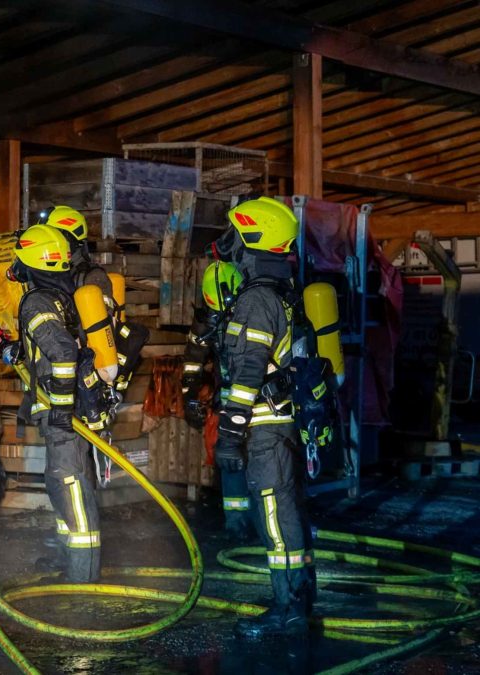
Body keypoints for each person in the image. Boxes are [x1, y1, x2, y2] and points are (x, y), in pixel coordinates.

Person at [209, 196, 315, 638]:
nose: (228, 244)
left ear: (251, 241)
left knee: (274, 516)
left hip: (264, 429)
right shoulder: (282, 295)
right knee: (287, 512)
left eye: (234, 235)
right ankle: (297, 598)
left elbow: (249, 371)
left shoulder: (256, 300)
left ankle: (288, 607)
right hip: (281, 422)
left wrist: (230, 433)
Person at [7, 224, 100, 583]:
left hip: (65, 417)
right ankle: (67, 560)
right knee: (61, 484)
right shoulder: (63, 294)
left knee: (71, 487)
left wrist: (61, 407)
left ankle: (81, 578)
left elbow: (62, 351)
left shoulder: (36, 301)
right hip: (72, 411)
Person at [37, 205, 148, 395]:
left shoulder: (93, 277)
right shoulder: (49, 276)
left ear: (70, 240)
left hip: (82, 370)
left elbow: (101, 326)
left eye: (54, 237)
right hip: (50, 365)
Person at [181, 261, 256, 541]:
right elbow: (193, 358)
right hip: (228, 403)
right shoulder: (207, 319)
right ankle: (236, 527)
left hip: (259, 404)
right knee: (231, 462)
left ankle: (263, 526)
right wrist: (190, 395)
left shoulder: (256, 311)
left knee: (260, 463)